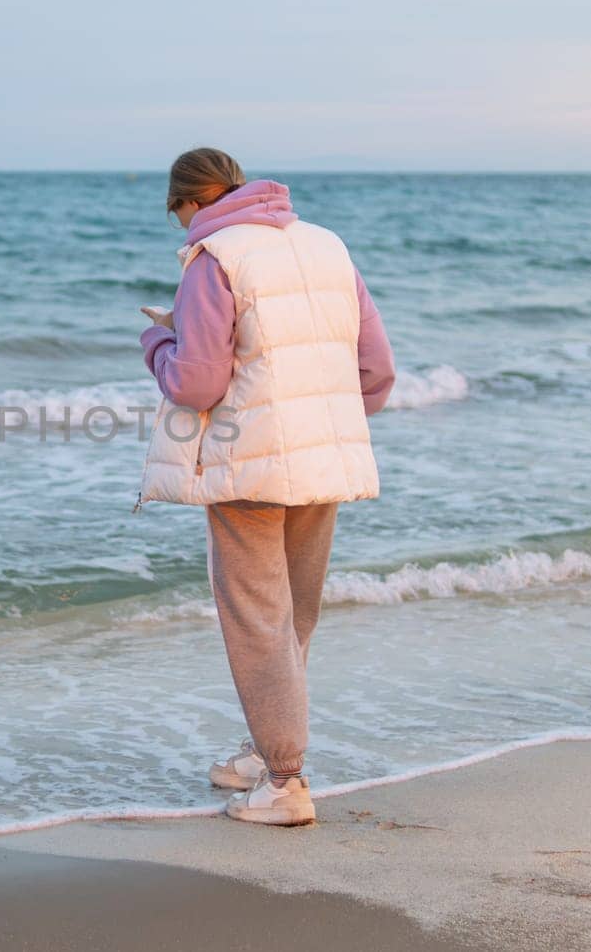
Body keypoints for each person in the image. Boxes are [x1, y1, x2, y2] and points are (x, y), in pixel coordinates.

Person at [137, 148, 395, 826]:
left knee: (257, 617)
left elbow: (197, 383)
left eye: (178, 215)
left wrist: (155, 346)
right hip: (321, 459)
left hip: (249, 463)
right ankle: (265, 751)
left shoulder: (215, 257)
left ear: (187, 203)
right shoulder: (326, 245)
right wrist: (319, 417)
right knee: (293, 614)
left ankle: (284, 782)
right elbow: (376, 369)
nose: (182, 227)